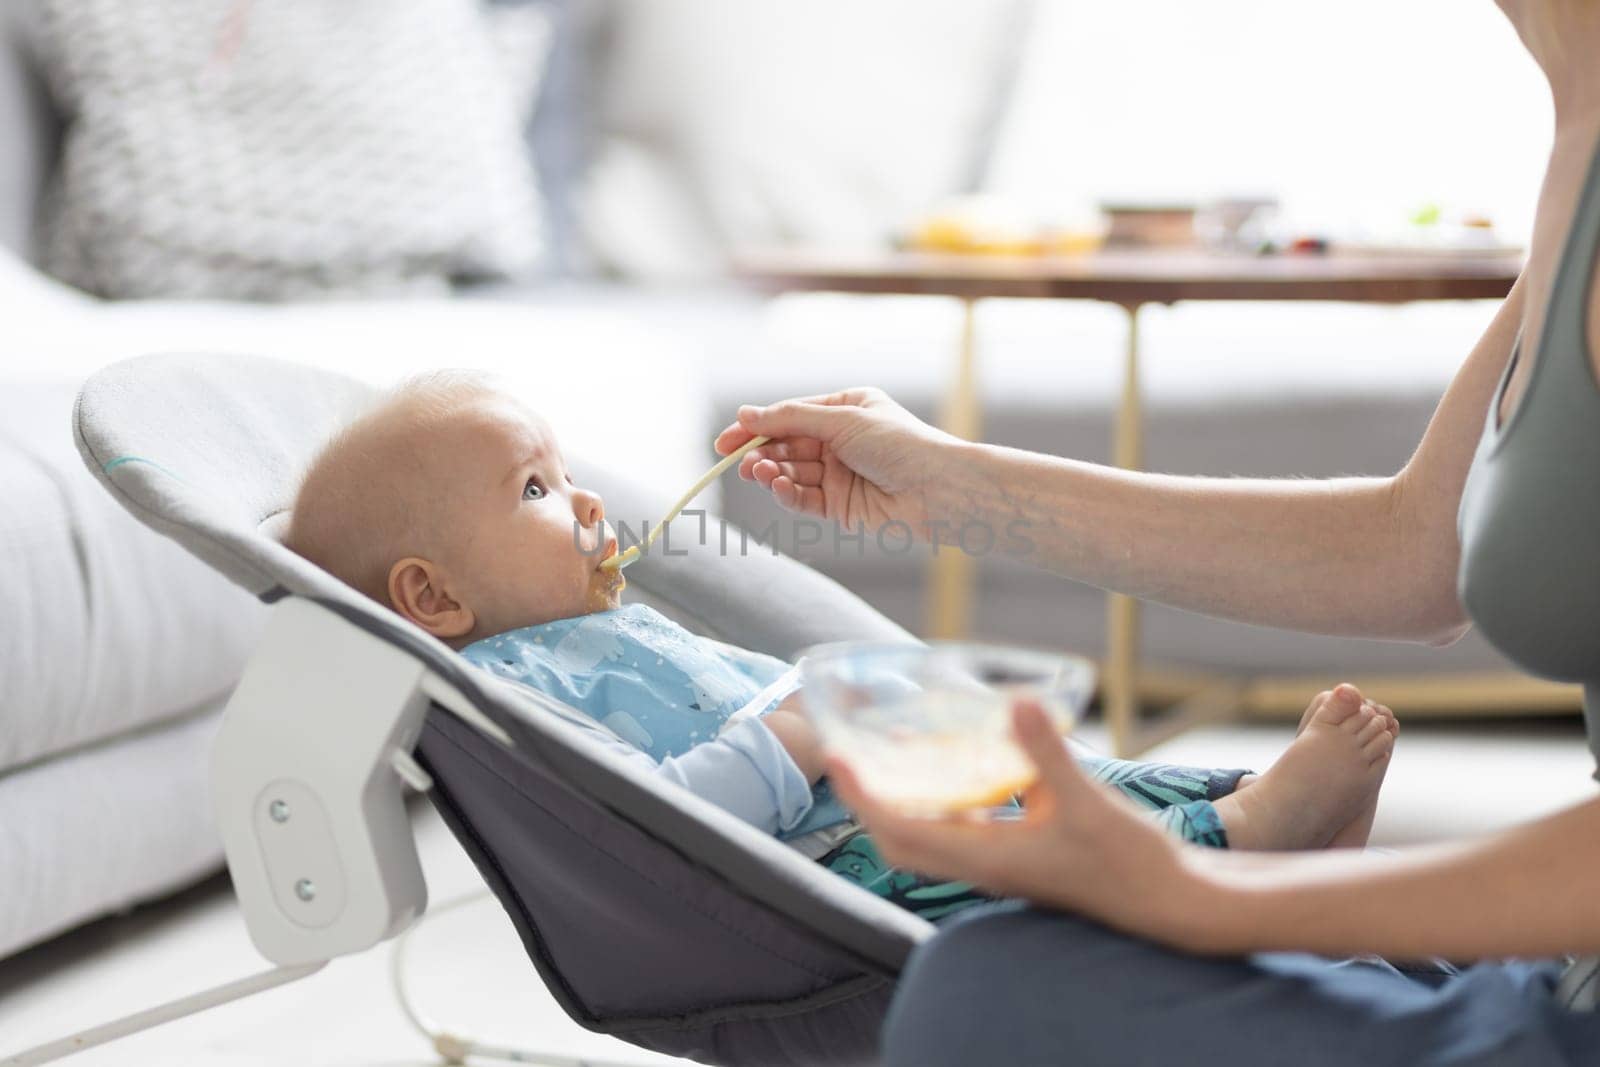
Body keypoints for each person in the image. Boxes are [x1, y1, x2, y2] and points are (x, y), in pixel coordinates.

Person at [713, 4, 1600, 1060]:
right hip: (1565, 956)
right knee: (1033, 968)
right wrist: (953, 488)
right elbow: (1416, 552)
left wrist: (1208, 893)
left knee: (994, 991)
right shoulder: (1577, 149)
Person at [284, 373, 1397, 926]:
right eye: (533, 489)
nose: (581, 500)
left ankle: (1246, 811)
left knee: (1063, 780)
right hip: (836, 864)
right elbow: (655, 821)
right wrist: (796, 728)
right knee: (1020, 860)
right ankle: (1237, 834)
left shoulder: (600, 621)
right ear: (431, 595)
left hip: (877, 781)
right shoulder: (515, 689)